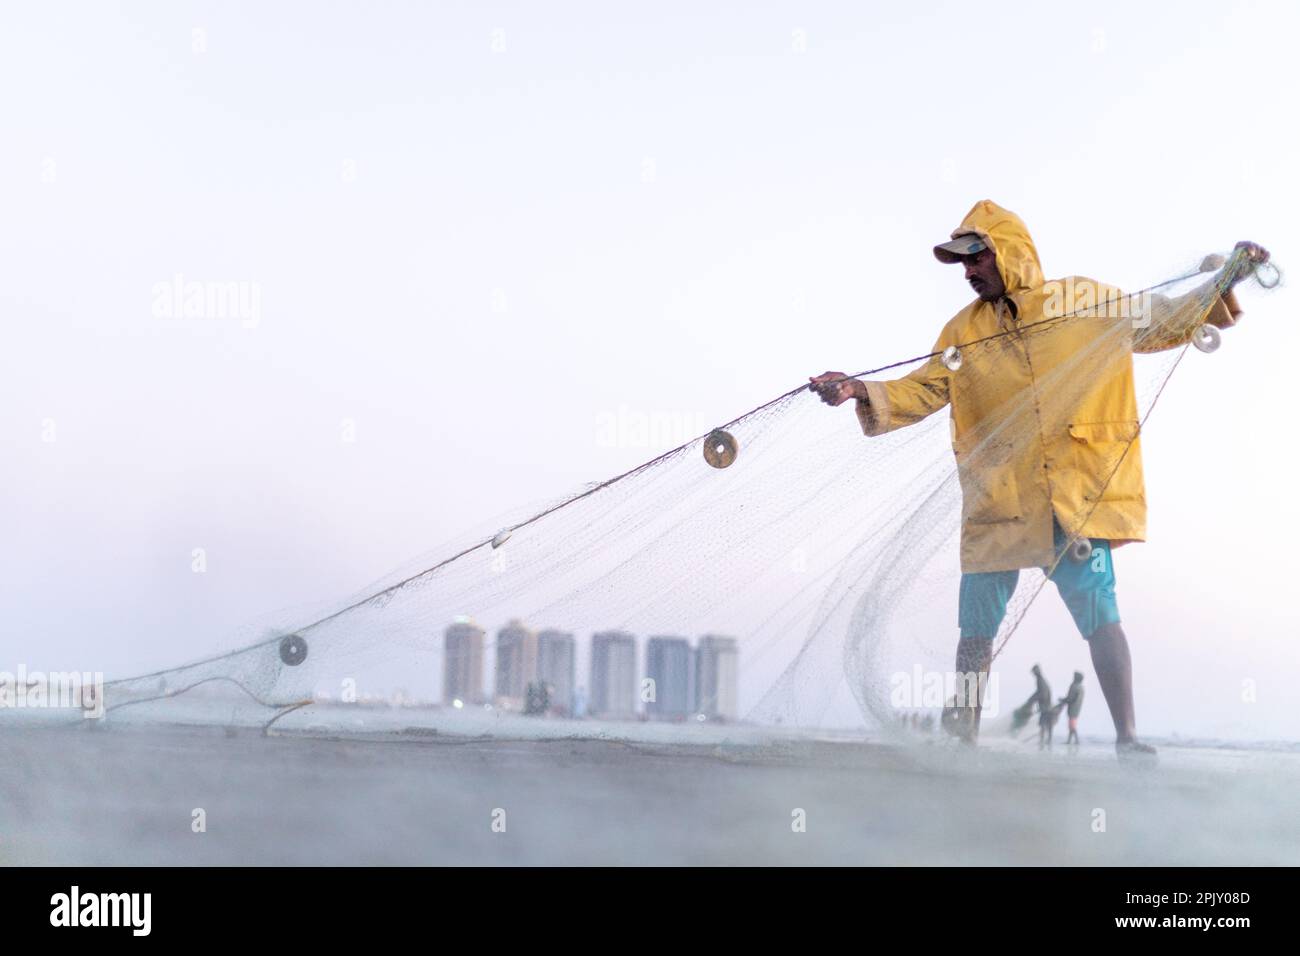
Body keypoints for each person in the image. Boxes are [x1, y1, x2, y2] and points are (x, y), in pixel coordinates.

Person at [810, 200, 1269, 761]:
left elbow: (1165, 320)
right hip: (999, 500)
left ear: (1010, 254)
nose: (969, 272)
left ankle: (1127, 738)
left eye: (976, 259)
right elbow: (925, 389)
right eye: (962, 265)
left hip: (1075, 496)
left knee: (1102, 615)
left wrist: (1227, 278)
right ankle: (962, 740)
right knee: (975, 633)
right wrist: (861, 389)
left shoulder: (1083, 300)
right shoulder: (962, 331)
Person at [1062, 671, 1085, 747]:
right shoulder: (1081, 687)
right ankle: (1070, 740)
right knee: (1071, 724)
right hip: (1076, 709)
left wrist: (1063, 700)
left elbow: (1070, 698)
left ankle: (1076, 740)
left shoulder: (1075, 686)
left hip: (1073, 708)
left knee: (1072, 725)